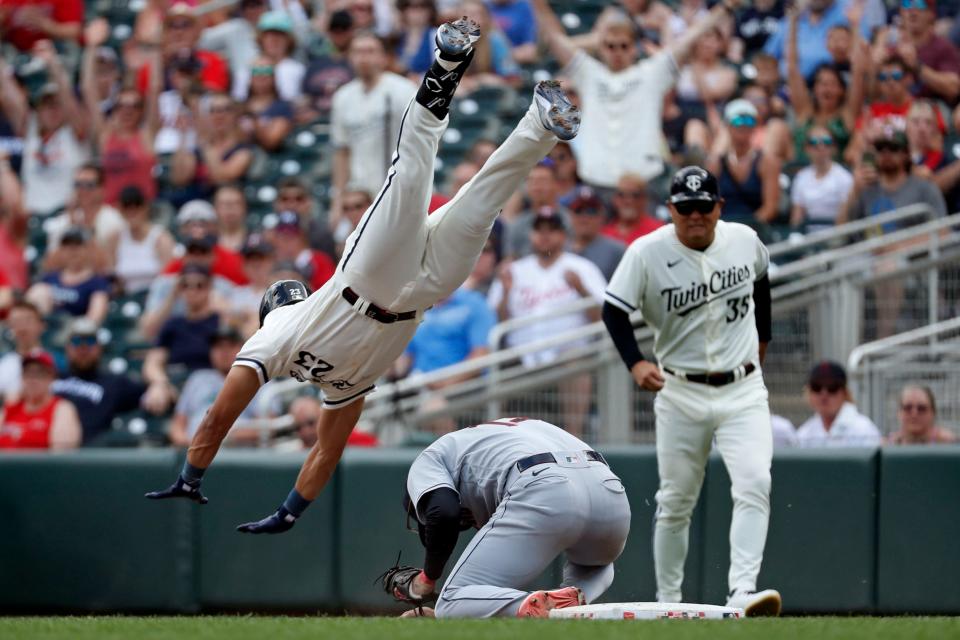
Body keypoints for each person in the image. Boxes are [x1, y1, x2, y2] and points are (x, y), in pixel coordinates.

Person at [145, 20, 581, 535]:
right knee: (481, 199)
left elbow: (222, 419)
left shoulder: (278, 331)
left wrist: (194, 474)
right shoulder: (338, 384)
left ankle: (446, 62)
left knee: (413, 174)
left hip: (368, 279)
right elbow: (325, 452)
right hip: (422, 293)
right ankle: (539, 122)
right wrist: (287, 512)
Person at [601, 166, 780, 616]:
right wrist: (635, 362)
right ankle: (669, 602)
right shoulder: (646, 252)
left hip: (743, 388)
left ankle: (742, 590)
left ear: (719, 207)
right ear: (671, 210)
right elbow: (613, 310)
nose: (695, 215)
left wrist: (764, 338)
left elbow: (761, 280)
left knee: (755, 482)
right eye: (685, 208)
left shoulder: (743, 239)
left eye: (704, 206)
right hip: (681, 389)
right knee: (676, 501)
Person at [384, 417, 630, 618]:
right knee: (596, 565)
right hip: (610, 489)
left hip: (545, 485)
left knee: (451, 601)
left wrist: (427, 579)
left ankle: (530, 605)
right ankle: (569, 604)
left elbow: (443, 512)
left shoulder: (430, 457)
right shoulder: (501, 433)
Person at [531, 0, 743, 188]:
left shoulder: (651, 73)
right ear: (601, 48)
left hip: (643, 181)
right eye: (610, 46)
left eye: (623, 46)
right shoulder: (589, 73)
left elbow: (690, 38)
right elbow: (553, 36)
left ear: (634, 48)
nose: (617, 52)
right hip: (596, 181)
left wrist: (725, 7)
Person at [489, 211, 605, 438]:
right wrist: (505, 292)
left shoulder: (582, 268)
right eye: (539, 230)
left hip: (568, 355)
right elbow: (498, 322)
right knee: (496, 373)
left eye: (552, 230)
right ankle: (502, 440)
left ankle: (575, 438)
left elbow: (602, 318)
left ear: (563, 235)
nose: (545, 236)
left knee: (575, 365)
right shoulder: (514, 270)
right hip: (520, 356)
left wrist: (581, 289)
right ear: (531, 235)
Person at [840, 128, 947, 338]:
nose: (886, 154)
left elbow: (943, 232)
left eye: (893, 149)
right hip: (867, 256)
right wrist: (854, 190)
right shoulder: (867, 191)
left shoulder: (923, 188)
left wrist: (897, 247)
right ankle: (844, 345)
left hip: (913, 261)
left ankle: (882, 340)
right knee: (838, 270)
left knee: (888, 266)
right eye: (880, 149)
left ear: (906, 154)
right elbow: (841, 231)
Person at [331, 32, 417, 216]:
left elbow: (418, 141)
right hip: (359, 191)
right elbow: (342, 151)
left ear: (383, 57)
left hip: (398, 186)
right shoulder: (342, 97)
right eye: (357, 51)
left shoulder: (404, 90)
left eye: (370, 51)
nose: (363, 57)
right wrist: (338, 200)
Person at [52, 318, 174, 444]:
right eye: (76, 341)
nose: (83, 347)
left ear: (100, 348)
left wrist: (159, 385)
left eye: (90, 340)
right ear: (67, 347)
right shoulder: (51, 377)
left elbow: (159, 397)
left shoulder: (115, 383)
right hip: (44, 450)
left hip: (92, 454)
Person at [169, 326, 263, 448]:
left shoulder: (256, 378)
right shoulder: (197, 379)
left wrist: (227, 437)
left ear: (243, 348)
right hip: (193, 449)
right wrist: (185, 442)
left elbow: (267, 428)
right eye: (218, 347)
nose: (224, 351)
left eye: (230, 345)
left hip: (235, 451)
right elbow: (178, 423)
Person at [707, 99, 782, 230]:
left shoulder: (767, 161)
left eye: (749, 121)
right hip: (723, 230)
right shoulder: (716, 164)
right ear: (728, 126)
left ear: (755, 126)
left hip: (757, 230)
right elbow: (709, 204)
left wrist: (746, 229)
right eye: (737, 120)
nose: (743, 125)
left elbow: (770, 208)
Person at [143, 264, 222, 383]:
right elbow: (152, 363)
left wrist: (222, 305)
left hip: (211, 383)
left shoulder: (220, 322)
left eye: (199, 285)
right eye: (185, 285)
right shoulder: (173, 324)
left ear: (209, 288)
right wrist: (160, 384)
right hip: (176, 382)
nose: (192, 291)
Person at [27, 227, 110, 326]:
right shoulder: (50, 277)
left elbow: (95, 316)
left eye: (78, 245)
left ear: (88, 250)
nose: (72, 250)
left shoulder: (96, 282)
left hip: (75, 330)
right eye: (67, 246)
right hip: (48, 327)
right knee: (39, 290)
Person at [0, 350, 81, 450]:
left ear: (51, 377)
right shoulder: (11, 408)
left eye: (40, 374)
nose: (33, 379)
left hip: (39, 465)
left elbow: (62, 457)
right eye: (28, 373)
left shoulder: (61, 409)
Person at [795, 361, 881, 447]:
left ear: (844, 393)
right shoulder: (805, 433)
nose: (824, 394)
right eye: (816, 387)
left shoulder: (864, 430)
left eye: (832, 387)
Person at [111, 185, 176, 295]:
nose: (132, 212)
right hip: (124, 298)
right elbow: (111, 276)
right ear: (120, 210)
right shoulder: (115, 238)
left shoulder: (161, 239)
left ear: (146, 207)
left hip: (153, 297)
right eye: (126, 207)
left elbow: (168, 279)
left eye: (137, 206)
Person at [789, 125, 854, 232]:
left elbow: (845, 220)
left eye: (826, 141)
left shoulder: (844, 177)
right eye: (814, 142)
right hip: (809, 241)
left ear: (834, 147)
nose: (821, 146)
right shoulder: (801, 177)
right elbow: (796, 218)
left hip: (837, 239)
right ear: (807, 148)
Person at [231, 10, 305, 102]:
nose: (273, 40)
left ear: (289, 39)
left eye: (279, 35)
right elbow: (238, 103)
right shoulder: (246, 70)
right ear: (260, 39)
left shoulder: (298, 70)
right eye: (268, 35)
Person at [898, 0, 960, 104]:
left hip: (932, 108)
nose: (912, 10)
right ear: (900, 12)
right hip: (897, 110)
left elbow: (953, 88)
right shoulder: (892, 46)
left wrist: (917, 66)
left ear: (931, 14)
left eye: (920, 4)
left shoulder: (943, 47)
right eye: (906, 4)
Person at [504, 161, 571, 258]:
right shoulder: (518, 224)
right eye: (531, 181)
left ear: (556, 184)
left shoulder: (569, 219)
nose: (536, 186)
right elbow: (509, 260)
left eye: (542, 180)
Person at [567, 187, 625, 282]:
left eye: (591, 211)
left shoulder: (616, 251)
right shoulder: (558, 249)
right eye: (578, 211)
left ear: (602, 216)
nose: (584, 218)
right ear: (570, 215)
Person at [270, 211, 336, 292]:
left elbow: (329, 292)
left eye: (291, 235)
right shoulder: (268, 260)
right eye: (282, 235)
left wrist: (303, 283)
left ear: (302, 237)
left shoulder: (320, 260)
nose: (286, 240)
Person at [241, 55, 295, 152]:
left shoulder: (283, 107)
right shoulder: (238, 107)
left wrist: (253, 119)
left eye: (267, 71)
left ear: (274, 77)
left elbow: (271, 142)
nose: (261, 76)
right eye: (256, 71)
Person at [0, 301, 46, 404]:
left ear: (41, 326)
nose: (22, 327)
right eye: (16, 322)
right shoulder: (3, 363)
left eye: (27, 321)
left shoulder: (55, 361)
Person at [602, 174, 664, 245]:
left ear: (645, 199)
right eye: (621, 195)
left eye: (635, 195)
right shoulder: (603, 233)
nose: (628, 201)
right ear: (614, 199)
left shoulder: (657, 232)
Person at [886, 384, 957, 445]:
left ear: (933, 412)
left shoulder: (950, 445)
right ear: (899, 412)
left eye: (921, 408)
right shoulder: (888, 447)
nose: (914, 414)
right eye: (907, 408)